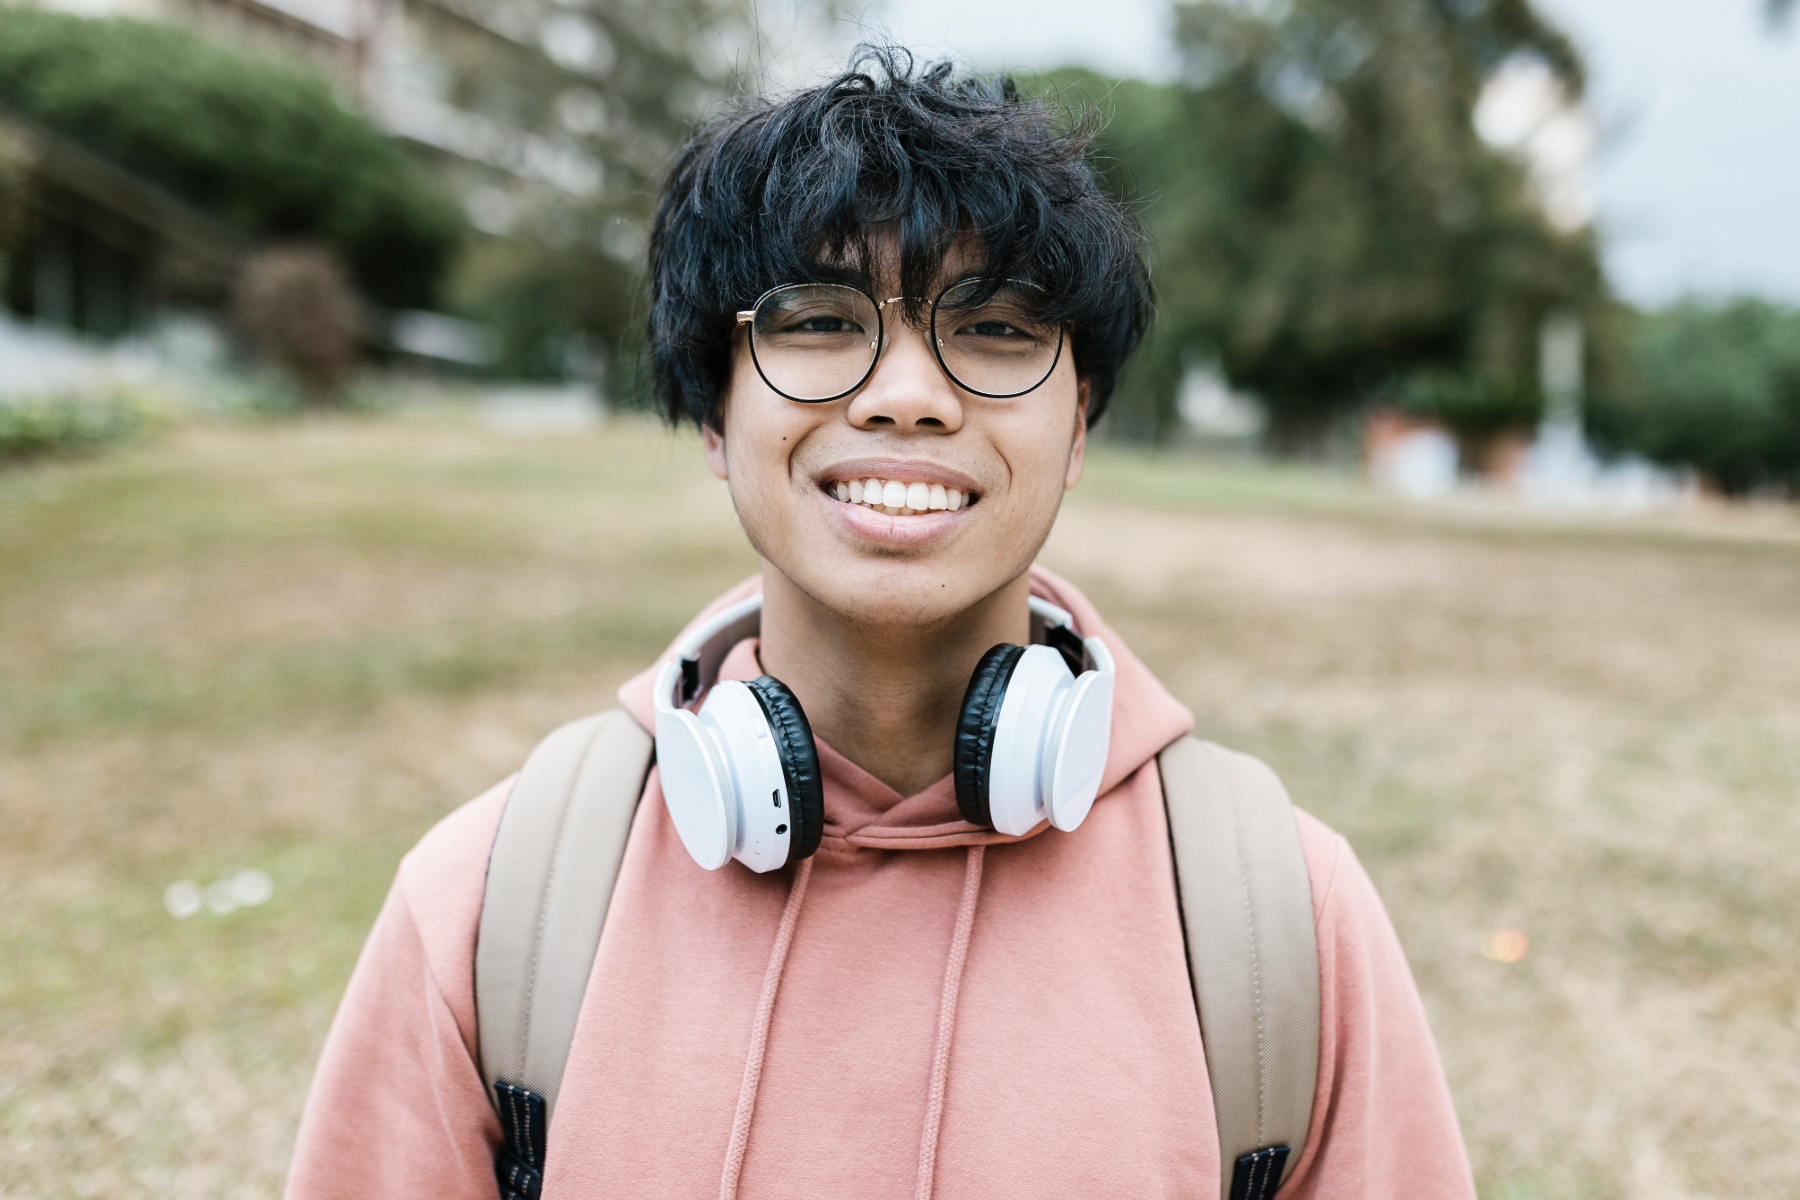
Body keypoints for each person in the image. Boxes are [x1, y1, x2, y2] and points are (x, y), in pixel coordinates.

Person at [285, 47, 1475, 1199]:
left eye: (997, 329)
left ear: (1080, 426)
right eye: (818, 322)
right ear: (713, 409)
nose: (907, 397)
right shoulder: (499, 902)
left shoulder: (1278, 920)